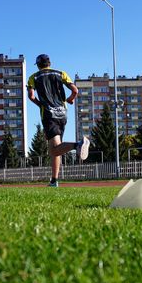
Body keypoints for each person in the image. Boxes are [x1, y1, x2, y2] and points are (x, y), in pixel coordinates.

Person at [27, 54, 90, 187]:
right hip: (63, 113)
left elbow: (31, 96)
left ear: (38, 65)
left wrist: (41, 105)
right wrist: (70, 99)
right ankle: (54, 181)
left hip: (49, 115)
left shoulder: (34, 77)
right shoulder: (61, 73)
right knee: (57, 149)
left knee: (54, 150)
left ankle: (78, 145)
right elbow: (75, 90)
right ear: (49, 63)